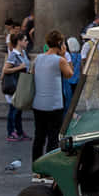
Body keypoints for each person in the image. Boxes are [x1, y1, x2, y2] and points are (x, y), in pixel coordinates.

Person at [31, 30, 68, 164]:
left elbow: (33, 73)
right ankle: (49, 166)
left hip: (38, 104)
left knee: (39, 136)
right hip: (54, 105)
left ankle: (36, 165)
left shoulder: (38, 58)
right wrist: (64, 56)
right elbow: (70, 74)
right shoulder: (60, 60)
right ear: (59, 43)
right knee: (53, 138)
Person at [4, 28, 31, 143]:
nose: (27, 42)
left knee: (18, 109)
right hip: (15, 85)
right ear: (19, 41)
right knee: (13, 109)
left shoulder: (23, 53)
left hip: (22, 84)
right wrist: (20, 67)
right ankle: (10, 132)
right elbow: (6, 70)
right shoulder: (13, 55)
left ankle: (19, 131)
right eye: (25, 40)